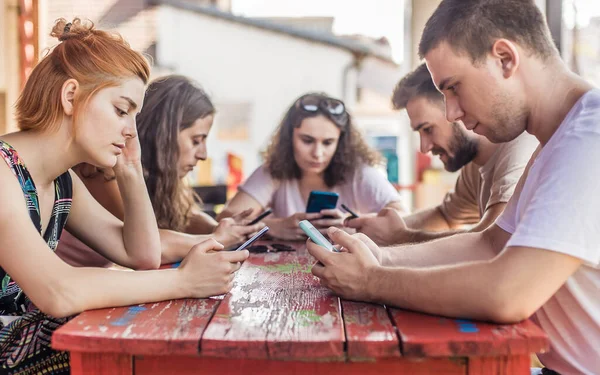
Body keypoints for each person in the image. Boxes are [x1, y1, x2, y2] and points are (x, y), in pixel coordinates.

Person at [307, 0, 600, 373]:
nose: (452, 113)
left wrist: (372, 280)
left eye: (454, 87)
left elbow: (509, 293)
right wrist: (381, 256)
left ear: (505, 59)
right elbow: (490, 242)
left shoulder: (588, 139)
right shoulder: (558, 138)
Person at [0, 18, 247, 374]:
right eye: (121, 110)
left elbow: (140, 254)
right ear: (71, 96)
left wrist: (130, 170)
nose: (131, 131)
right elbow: (57, 291)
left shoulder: (61, 181)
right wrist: (182, 281)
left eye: (135, 116)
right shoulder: (4, 173)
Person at [56, 75, 263, 267]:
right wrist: (216, 239)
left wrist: (224, 229)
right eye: (196, 140)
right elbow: (150, 245)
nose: (203, 154)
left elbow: (187, 216)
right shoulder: (106, 169)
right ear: (164, 136)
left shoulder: (153, 178)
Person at [346, 63, 538, 245]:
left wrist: (400, 237)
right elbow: (445, 217)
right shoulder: (477, 164)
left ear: (457, 110)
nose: (424, 147)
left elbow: (490, 243)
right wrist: (376, 226)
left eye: (428, 129)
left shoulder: (518, 152)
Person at [219, 93, 406, 240]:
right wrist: (274, 226)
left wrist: (351, 223)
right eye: (307, 141)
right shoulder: (274, 171)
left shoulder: (360, 174)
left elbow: (402, 218)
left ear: (340, 143)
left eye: (328, 142)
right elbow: (227, 219)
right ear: (289, 138)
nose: (318, 153)